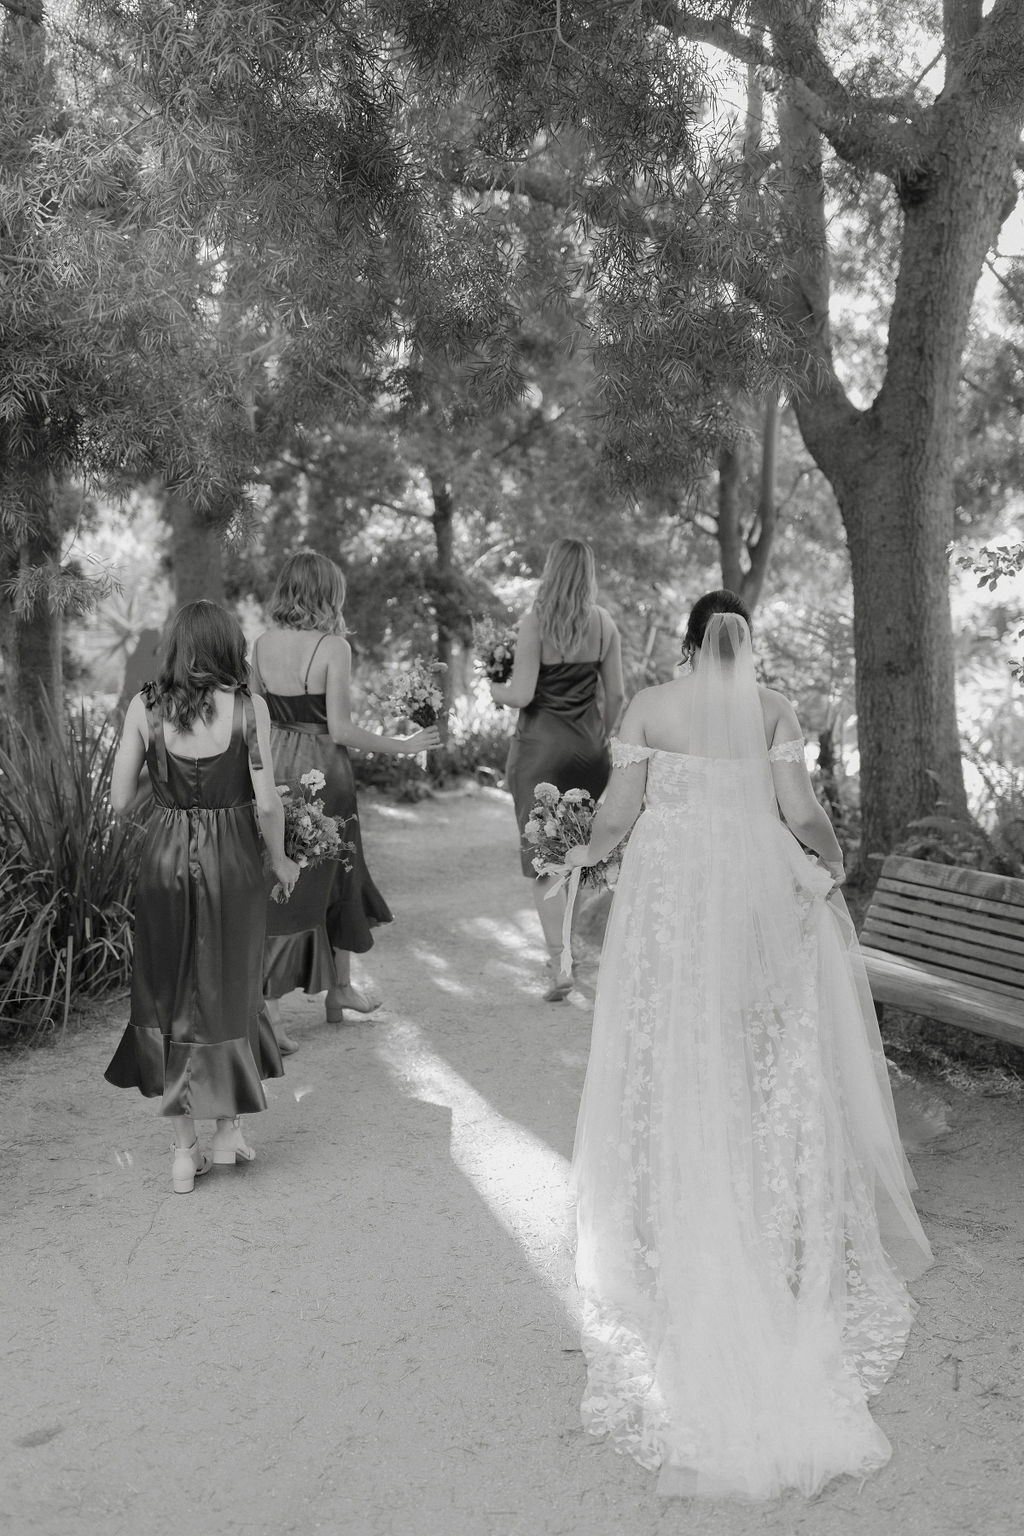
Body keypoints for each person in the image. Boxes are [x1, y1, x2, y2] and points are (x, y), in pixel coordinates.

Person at [562, 590, 932, 1500]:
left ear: (689, 644)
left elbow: (617, 814)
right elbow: (799, 809)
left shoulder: (649, 705)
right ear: (745, 643)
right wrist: (832, 859)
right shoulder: (772, 709)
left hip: (673, 902)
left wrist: (575, 854)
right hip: (754, 897)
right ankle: (761, 1214)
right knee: (755, 1048)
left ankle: (678, 1206)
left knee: (673, 1048)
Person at [105, 600, 301, 1194]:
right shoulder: (250, 710)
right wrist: (283, 858)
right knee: (230, 984)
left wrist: (170, 790)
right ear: (227, 647)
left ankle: (186, 1149)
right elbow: (267, 802)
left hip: (164, 857)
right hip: (234, 859)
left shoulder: (145, 706)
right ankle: (226, 1131)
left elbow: (117, 800)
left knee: (172, 991)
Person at [251, 552, 440, 1050]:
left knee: (305, 873)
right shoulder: (333, 647)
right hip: (323, 766)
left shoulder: (261, 644)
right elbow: (339, 728)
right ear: (326, 593)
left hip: (276, 764)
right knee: (324, 876)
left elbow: (255, 720)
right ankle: (269, 1011)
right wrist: (402, 746)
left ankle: (340, 990)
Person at [490, 537, 624, 999]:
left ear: (551, 571)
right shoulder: (604, 624)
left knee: (544, 860)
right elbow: (618, 696)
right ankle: (569, 952)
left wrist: (495, 691)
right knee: (578, 856)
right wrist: (601, 739)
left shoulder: (535, 624)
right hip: (589, 753)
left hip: (540, 752)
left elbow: (523, 694)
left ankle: (561, 961)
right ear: (587, 573)